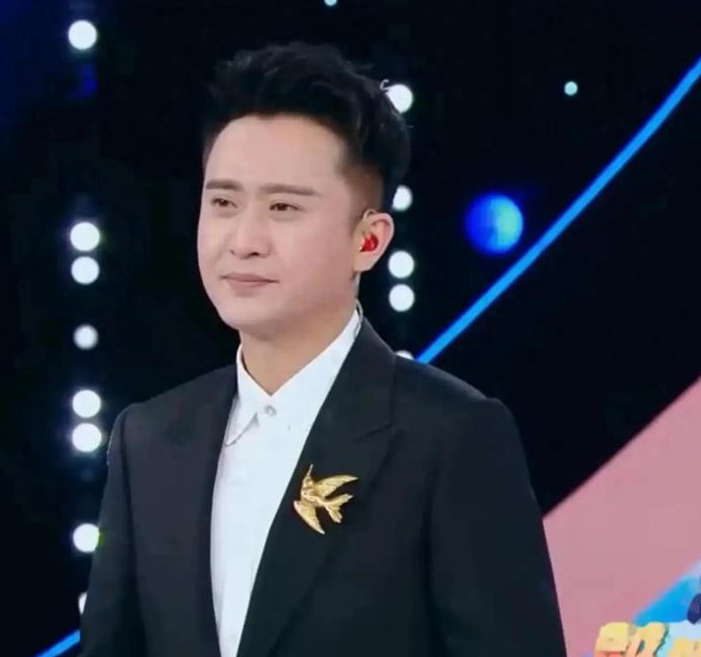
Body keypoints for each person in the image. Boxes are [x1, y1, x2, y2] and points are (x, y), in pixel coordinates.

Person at [81, 42, 565, 657]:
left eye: (283, 207)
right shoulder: (148, 440)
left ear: (368, 240)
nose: (244, 240)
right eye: (223, 203)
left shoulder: (449, 438)